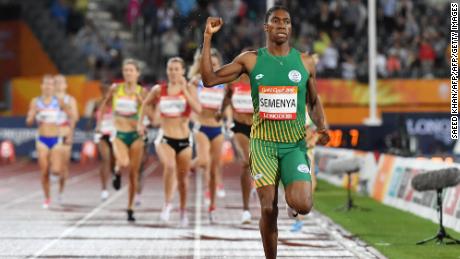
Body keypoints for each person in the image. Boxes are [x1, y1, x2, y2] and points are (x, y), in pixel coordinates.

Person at [200, 5, 330, 258]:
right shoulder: (250, 59)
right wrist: (207, 38)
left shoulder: (305, 62)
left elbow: (313, 101)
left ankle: (292, 197)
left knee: (303, 205)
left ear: (291, 28)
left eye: (286, 21)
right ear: (266, 27)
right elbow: (209, 79)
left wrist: (322, 126)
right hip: (263, 145)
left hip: (294, 145)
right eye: (276, 21)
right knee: (268, 209)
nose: (281, 25)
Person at [138, 57, 201, 227]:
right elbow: (144, 104)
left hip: (184, 139)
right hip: (165, 137)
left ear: (182, 71)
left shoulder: (189, 88)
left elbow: (198, 109)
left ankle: (182, 210)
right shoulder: (160, 90)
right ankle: (167, 204)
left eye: (176, 69)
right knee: (170, 166)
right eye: (170, 69)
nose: (173, 72)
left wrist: (185, 91)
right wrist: (140, 124)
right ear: (167, 71)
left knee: (183, 180)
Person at [97, 58, 147, 222]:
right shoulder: (116, 89)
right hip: (119, 133)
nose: (128, 73)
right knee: (124, 162)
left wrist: (141, 110)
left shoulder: (142, 91)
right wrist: (99, 124)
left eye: (131, 70)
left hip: (136, 135)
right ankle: (117, 171)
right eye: (125, 70)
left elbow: (150, 113)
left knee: (133, 174)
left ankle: (130, 207)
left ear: (137, 73)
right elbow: (104, 105)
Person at [188, 49, 227, 221]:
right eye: (210, 64)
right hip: (201, 127)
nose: (213, 67)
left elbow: (228, 106)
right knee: (204, 161)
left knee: (213, 168)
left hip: (217, 129)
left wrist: (227, 116)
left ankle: (212, 204)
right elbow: (191, 106)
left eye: (216, 64)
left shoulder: (225, 84)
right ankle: (188, 166)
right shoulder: (196, 82)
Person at [25, 75, 70, 209]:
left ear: (53, 87)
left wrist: (66, 130)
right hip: (42, 139)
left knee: (56, 171)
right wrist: (34, 114)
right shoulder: (35, 101)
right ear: (41, 86)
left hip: (56, 139)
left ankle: (56, 175)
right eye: (45, 84)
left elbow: (69, 116)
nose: (48, 87)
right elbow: (28, 121)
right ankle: (47, 198)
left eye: (51, 84)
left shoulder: (59, 101)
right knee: (44, 171)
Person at [222, 73, 254, 224]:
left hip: (258, 127)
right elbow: (226, 101)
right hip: (239, 127)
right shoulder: (233, 82)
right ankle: (246, 210)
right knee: (246, 162)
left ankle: (256, 182)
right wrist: (223, 115)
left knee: (255, 165)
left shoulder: (262, 79)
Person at [54, 75, 79, 203]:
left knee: (63, 168)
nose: (58, 84)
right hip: (51, 134)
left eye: (61, 82)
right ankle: (53, 171)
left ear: (65, 85)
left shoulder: (70, 100)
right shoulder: (47, 99)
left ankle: (60, 192)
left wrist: (70, 134)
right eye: (56, 82)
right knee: (54, 166)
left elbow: (74, 118)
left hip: (65, 133)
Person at [92, 85, 115, 201]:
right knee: (105, 159)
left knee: (114, 161)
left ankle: (115, 173)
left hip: (114, 134)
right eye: (104, 91)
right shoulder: (98, 103)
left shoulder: (117, 103)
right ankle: (104, 189)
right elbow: (93, 117)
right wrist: (97, 125)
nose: (107, 93)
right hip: (102, 134)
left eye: (109, 91)